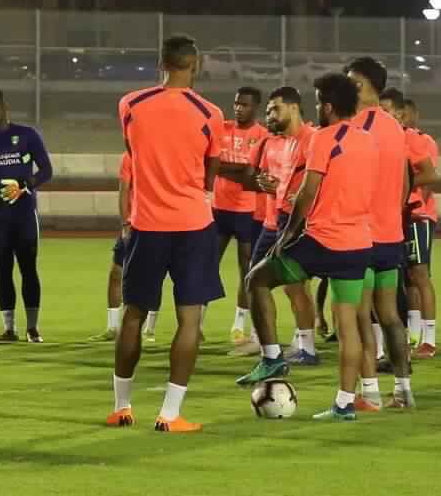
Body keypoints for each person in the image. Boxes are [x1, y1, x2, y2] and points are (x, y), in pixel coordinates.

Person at [238, 73, 378, 422]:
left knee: (256, 280)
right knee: (348, 326)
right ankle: (345, 404)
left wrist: (285, 239)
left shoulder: (323, 138)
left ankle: (272, 356)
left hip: (323, 240)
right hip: (358, 242)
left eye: (318, 101)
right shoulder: (368, 141)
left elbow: (307, 192)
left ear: (328, 106)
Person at [106, 35, 223, 434]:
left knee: (134, 314)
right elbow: (211, 168)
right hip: (193, 225)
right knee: (189, 319)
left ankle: (122, 407)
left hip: (146, 224)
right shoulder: (210, 113)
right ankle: (170, 414)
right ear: (197, 64)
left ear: (161, 63)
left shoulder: (131, 105)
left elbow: (132, 152)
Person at [345, 57, 414, 410]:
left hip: (361, 236)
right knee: (389, 315)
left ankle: (369, 391)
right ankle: (403, 390)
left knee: (359, 315)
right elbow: (405, 182)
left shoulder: (355, 126)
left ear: (362, 85)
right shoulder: (394, 127)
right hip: (390, 235)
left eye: (350, 81)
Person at [0, 87, 52, 343]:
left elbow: (46, 170)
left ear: (4, 107)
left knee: (28, 269)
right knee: (2, 272)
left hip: (24, 215)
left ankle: (32, 327)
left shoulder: (27, 136)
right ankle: (9, 329)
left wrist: (25, 186)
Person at [248, 86, 318, 365]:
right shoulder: (275, 142)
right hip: (273, 219)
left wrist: (302, 196)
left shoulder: (311, 139)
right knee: (255, 279)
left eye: (274, 108)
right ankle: (271, 345)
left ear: (293, 107)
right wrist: (262, 183)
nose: (270, 115)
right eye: (267, 111)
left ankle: (307, 348)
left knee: (295, 285)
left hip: (296, 220)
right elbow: (262, 177)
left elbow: (322, 177)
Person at [211, 86, 268, 350]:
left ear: (255, 107)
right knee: (206, 265)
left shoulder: (262, 136)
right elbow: (210, 162)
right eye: (236, 103)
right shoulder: (222, 127)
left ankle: (238, 325)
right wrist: (240, 172)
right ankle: (197, 324)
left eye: (244, 105)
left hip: (247, 210)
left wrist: (222, 168)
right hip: (218, 207)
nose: (238, 108)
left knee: (247, 269)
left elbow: (251, 175)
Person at [394, 93, 440, 358]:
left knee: (420, 274)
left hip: (417, 216)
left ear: (404, 114)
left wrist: (410, 197)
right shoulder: (386, 138)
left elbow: (429, 175)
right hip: (396, 217)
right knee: (407, 277)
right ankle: (413, 335)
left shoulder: (419, 140)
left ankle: (430, 339)